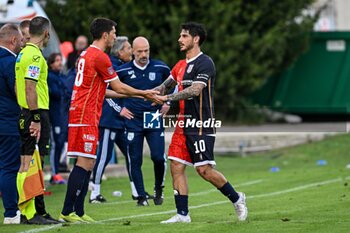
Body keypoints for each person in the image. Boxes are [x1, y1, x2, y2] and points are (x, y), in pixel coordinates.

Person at [59, 17, 161, 223]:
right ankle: (67, 210)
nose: (116, 35)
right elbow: (119, 87)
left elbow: (104, 91)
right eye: (114, 32)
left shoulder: (86, 53)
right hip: (84, 114)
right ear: (105, 35)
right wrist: (144, 93)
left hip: (86, 113)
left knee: (90, 162)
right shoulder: (100, 57)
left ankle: (78, 212)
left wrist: (135, 94)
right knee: (85, 161)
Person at [155, 22, 248, 223]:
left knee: (203, 170)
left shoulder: (205, 63)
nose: (180, 39)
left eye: (184, 36)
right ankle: (182, 215)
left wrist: (168, 99)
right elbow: (163, 87)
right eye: (180, 36)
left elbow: (195, 90)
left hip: (201, 125)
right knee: (176, 166)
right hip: (182, 124)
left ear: (195, 39)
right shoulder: (180, 65)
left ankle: (237, 198)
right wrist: (142, 94)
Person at [15, 16, 59, 224]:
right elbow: (30, 87)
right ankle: (31, 213)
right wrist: (35, 117)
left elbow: (18, 88)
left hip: (26, 111)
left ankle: (34, 210)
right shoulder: (34, 56)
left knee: (28, 162)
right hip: (36, 113)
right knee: (34, 162)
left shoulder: (22, 53)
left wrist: (24, 109)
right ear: (46, 33)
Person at [116, 36, 170, 206]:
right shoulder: (122, 71)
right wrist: (120, 109)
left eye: (146, 50)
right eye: (140, 51)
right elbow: (106, 91)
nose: (144, 54)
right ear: (132, 51)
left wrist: (168, 102)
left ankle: (158, 187)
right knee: (135, 158)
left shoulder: (160, 67)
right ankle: (140, 196)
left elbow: (175, 84)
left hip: (153, 117)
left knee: (158, 157)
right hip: (133, 118)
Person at [89, 36, 134, 203]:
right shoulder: (111, 66)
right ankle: (94, 193)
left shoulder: (123, 66)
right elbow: (106, 94)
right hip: (109, 120)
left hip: (120, 121)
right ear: (120, 51)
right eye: (129, 48)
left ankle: (137, 191)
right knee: (104, 157)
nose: (131, 51)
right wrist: (119, 109)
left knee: (131, 154)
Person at [0, 24, 23, 224]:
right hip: (7, 122)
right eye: (21, 39)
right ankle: (11, 213)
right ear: (13, 40)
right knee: (8, 168)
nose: (23, 42)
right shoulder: (11, 62)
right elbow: (18, 92)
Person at [47, 52, 69, 184]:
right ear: (51, 64)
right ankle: (54, 174)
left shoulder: (61, 77)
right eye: (56, 61)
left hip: (61, 116)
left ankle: (56, 173)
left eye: (60, 60)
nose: (60, 63)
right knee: (55, 144)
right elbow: (56, 93)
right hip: (53, 116)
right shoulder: (50, 77)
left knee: (60, 143)